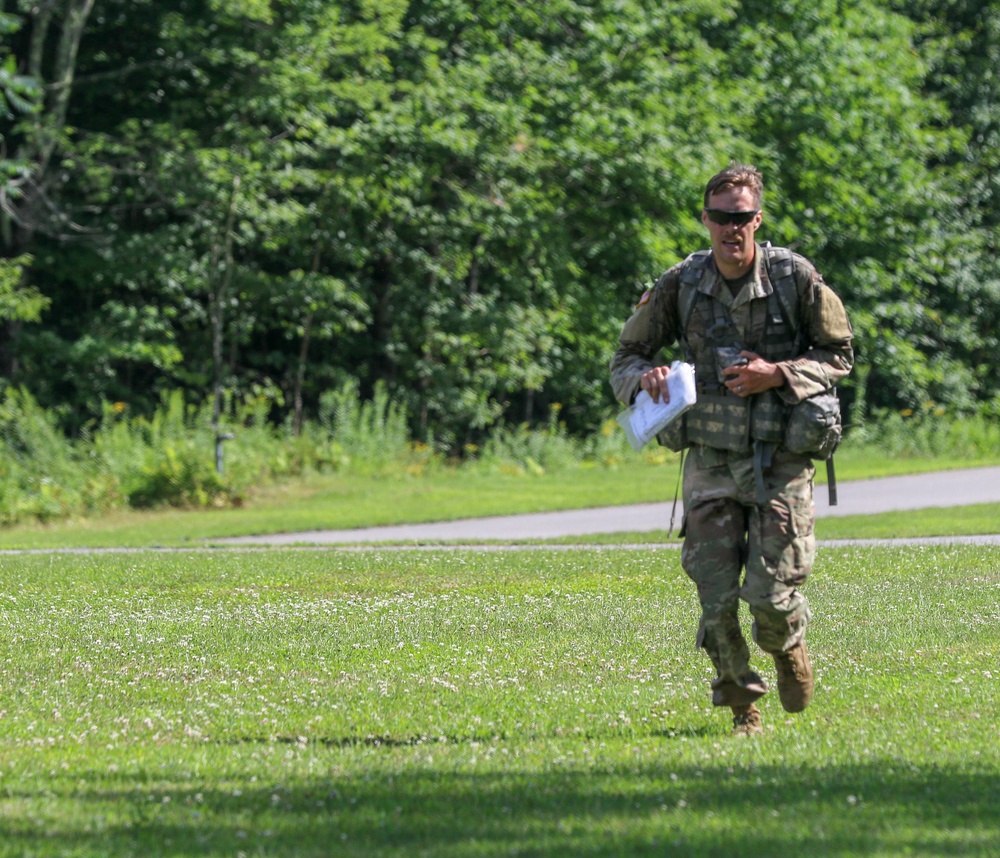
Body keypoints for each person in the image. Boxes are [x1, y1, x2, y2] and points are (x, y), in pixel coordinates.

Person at [609, 164, 853, 736]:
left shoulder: (794, 277)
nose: (730, 228)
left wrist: (779, 373)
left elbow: (839, 354)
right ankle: (743, 705)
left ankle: (788, 648)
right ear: (705, 219)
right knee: (715, 599)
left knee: (770, 597)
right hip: (711, 461)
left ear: (757, 219)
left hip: (780, 460)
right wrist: (646, 378)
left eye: (740, 217)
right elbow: (626, 357)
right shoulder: (681, 283)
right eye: (720, 217)